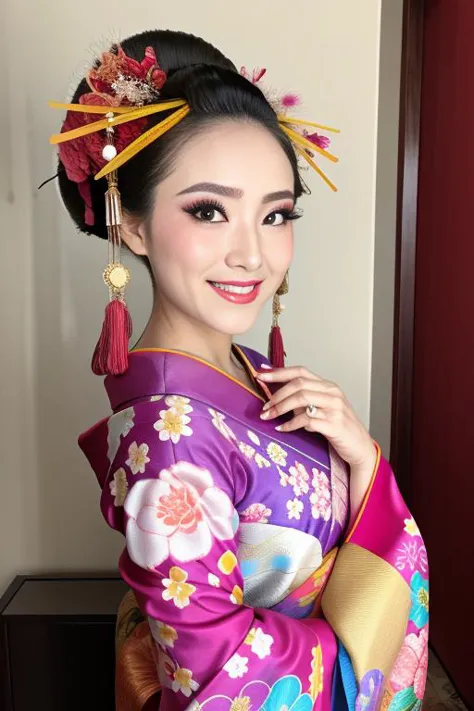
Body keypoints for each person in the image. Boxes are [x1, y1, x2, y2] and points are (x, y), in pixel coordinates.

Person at [50, 29, 429, 711]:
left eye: (277, 213)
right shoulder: (172, 437)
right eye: (208, 210)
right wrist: (355, 633)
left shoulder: (248, 370)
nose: (254, 254)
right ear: (130, 222)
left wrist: (363, 460)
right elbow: (224, 679)